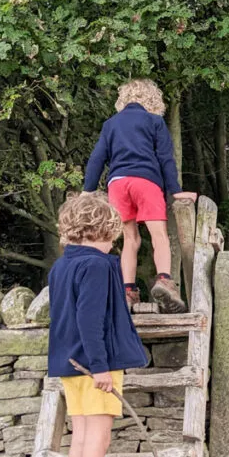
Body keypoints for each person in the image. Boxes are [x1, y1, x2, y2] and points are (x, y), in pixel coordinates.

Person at [48, 193, 148, 457]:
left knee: (82, 437)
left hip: (70, 364)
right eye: (111, 236)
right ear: (98, 231)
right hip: (94, 366)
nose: (113, 244)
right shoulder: (97, 265)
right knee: (97, 440)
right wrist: (101, 367)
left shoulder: (61, 266)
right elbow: (91, 321)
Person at [83, 78, 196, 313]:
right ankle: (165, 280)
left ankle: (128, 291)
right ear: (153, 100)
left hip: (118, 184)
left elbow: (96, 159)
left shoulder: (111, 124)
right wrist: (175, 191)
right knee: (159, 237)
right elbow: (166, 158)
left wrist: (88, 191)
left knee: (130, 240)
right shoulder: (154, 121)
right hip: (146, 181)